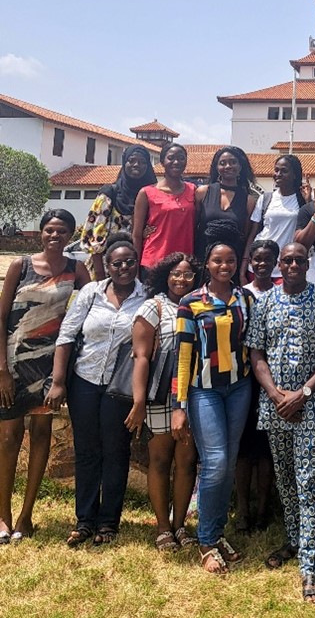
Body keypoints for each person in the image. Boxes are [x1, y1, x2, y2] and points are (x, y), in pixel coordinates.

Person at [246, 242, 315, 605]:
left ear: (307, 264)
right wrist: (276, 395)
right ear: (278, 264)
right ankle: (294, 538)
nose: (291, 264)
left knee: (307, 482)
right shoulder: (266, 302)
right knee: (285, 479)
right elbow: (256, 352)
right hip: (274, 405)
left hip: (311, 406)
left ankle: (310, 564)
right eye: (285, 260)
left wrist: (302, 393)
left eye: (298, 260)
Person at [50, 233, 146, 546]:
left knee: (116, 451)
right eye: (116, 263)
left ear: (137, 263)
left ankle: (108, 522)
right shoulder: (91, 292)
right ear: (106, 265)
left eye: (129, 262)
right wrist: (59, 381)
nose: (124, 268)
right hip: (85, 381)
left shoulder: (146, 298)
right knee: (88, 451)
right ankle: (85, 520)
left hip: (120, 387)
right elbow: (66, 335)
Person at [0, 209, 89, 543]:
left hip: (51, 365)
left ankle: (26, 516)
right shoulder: (19, 266)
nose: (55, 236)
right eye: (50, 230)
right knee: (8, 439)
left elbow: (94, 302)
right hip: (14, 363)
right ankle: (3, 515)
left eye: (62, 231)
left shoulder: (75, 269)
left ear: (70, 235)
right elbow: (2, 316)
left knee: (40, 436)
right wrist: (2, 372)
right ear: (41, 233)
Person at [171, 220, 254, 575]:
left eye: (231, 261)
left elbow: (252, 344)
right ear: (208, 264)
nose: (225, 266)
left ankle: (216, 532)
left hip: (239, 387)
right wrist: (179, 405)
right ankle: (206, 541)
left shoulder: (245, 298)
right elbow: (183, 355)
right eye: (218, 261)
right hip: (204, 390)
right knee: (216, 462)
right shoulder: (191, 303)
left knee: (229, 461)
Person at [124, 253, 200, 551]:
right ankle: (163, 527)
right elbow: (141, 356)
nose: (181, 280)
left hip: (191, 394)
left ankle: (180, 524)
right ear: (165, 275)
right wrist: (139, 401)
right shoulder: (153, 306)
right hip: (160, 395)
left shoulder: (198, 304)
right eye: (176, 274)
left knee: (186, 461)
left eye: (188, 275)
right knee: (159, 459)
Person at [235, 239, 279, 532]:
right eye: (257, 259)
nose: (262, 264)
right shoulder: (240, 295)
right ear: (250, 262)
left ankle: (264, 508)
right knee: (243, 449)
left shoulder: (281, 294)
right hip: (244, 380)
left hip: (274, 379)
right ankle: (242, 509)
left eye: (268, 259)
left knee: (266, 450)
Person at [81, 144, 157, 280]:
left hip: (139, 267)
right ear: (124, 162)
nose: (136, 165)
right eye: (132, 160)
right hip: (107, 267)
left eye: (142, 162)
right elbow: (93, 235)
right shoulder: (110, 193)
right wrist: (100, 276)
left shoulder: (153, 195)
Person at [241, 154, 310, 284]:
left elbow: (309, 232)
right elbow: (253, 234)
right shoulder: (266, 198)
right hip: (259, 265)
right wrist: (243, 267)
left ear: (295, 175)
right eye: (276, 170)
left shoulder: (302, 200)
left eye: (284, 171)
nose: (278, 174)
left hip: (286, 267)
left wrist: (308, 203)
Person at [132, 143, 196, 277]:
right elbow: (137, 234)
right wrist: (136, 270)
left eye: (181, 158)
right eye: (171, 158)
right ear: (162, 162)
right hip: (154, 262)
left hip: (184, 262)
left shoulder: (194, 190)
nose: (176, 162)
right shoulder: (146, 193)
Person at [195, 146, 257, 262]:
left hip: (231, 261)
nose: (228, 166)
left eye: (233, 162)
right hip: (203, 258)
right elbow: (193, 227)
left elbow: (245, 235)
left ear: (240, 166)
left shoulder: (249, 201)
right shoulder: (202, 192)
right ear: (217, 167)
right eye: (223, 163)